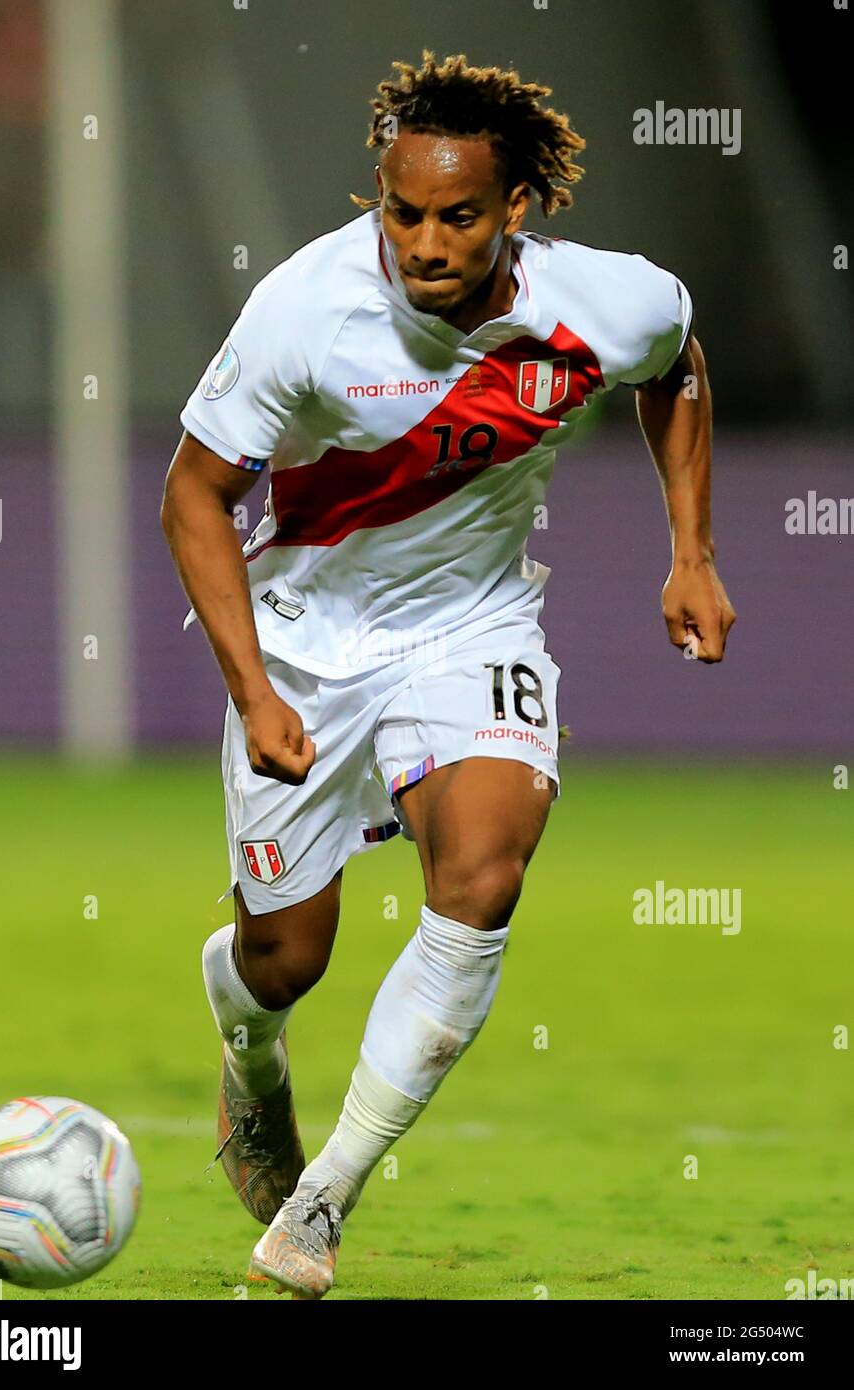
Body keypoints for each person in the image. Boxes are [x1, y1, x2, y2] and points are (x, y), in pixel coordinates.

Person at [160, 50, 735, 1300]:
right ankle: (249, 1055)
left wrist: (691, 552)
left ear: (515, 206)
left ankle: (320, 1205)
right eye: (401, 210)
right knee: (286, 960)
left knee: (482, 874)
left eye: (456, 215)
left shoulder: (609, 300)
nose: (422, 240)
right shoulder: (306, 309)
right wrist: (255, 689)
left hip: (473, 629)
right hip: (304, 645)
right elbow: (194, 497)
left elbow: (677, 363)